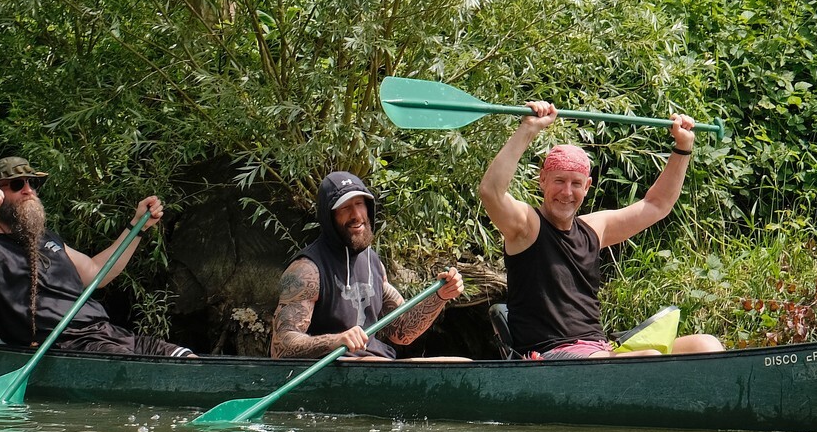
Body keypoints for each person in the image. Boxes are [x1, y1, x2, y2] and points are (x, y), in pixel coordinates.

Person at [479, 102, 724, 359]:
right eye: (559, 181)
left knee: (705, 345)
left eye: (576, 184)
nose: (567, 192)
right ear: (542, 181)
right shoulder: (527, 226)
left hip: (598, 350)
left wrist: (683, 147)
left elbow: (657, 204)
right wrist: (528, 128)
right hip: (550, 355)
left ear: (587, 187)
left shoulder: (594, 229)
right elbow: (491, 192)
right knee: (646, 358)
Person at [0, 156, 194, 357]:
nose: (28, 190)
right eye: (17, 184)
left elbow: (95, 272)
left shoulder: (48, 240)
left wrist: (136, 228)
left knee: (188, 359)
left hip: (108, 335)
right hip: (65, 346)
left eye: (32, 183)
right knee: (145, 370)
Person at [270, 171, 465, 360]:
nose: (356, 214)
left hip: (375, 369)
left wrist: (440, 296)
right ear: (329, 217)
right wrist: (335, 341)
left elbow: (403, 331)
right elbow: (281, 347)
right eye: (345, 207)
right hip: (334, 373)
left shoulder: (374, 264)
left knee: (462, 366)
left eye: (359, 204)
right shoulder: (307, 270)